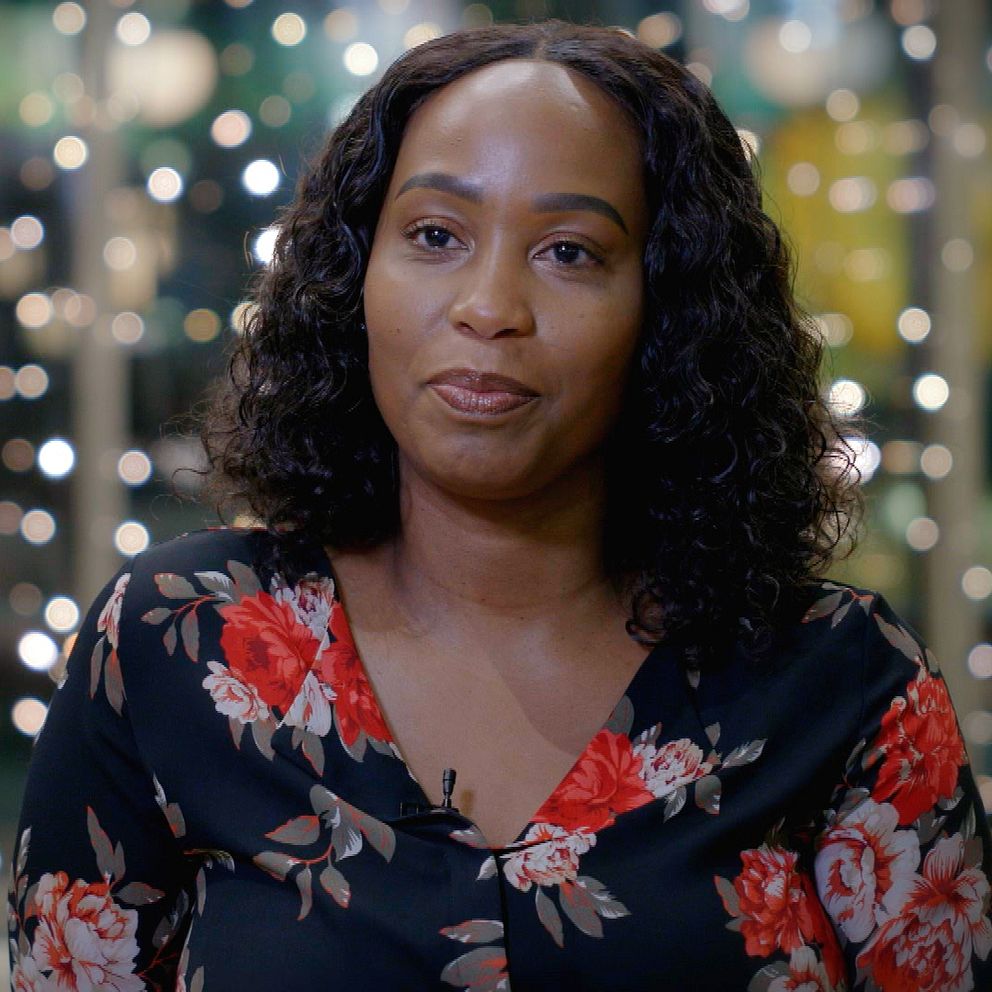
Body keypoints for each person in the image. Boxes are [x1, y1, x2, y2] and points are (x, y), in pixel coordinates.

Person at [9, 19, 991, 992]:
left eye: (568, 251)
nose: (488, 306)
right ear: (355, 276)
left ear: (669, 309)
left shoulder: (847, 684)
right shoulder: (173, 641)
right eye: (434, 235)